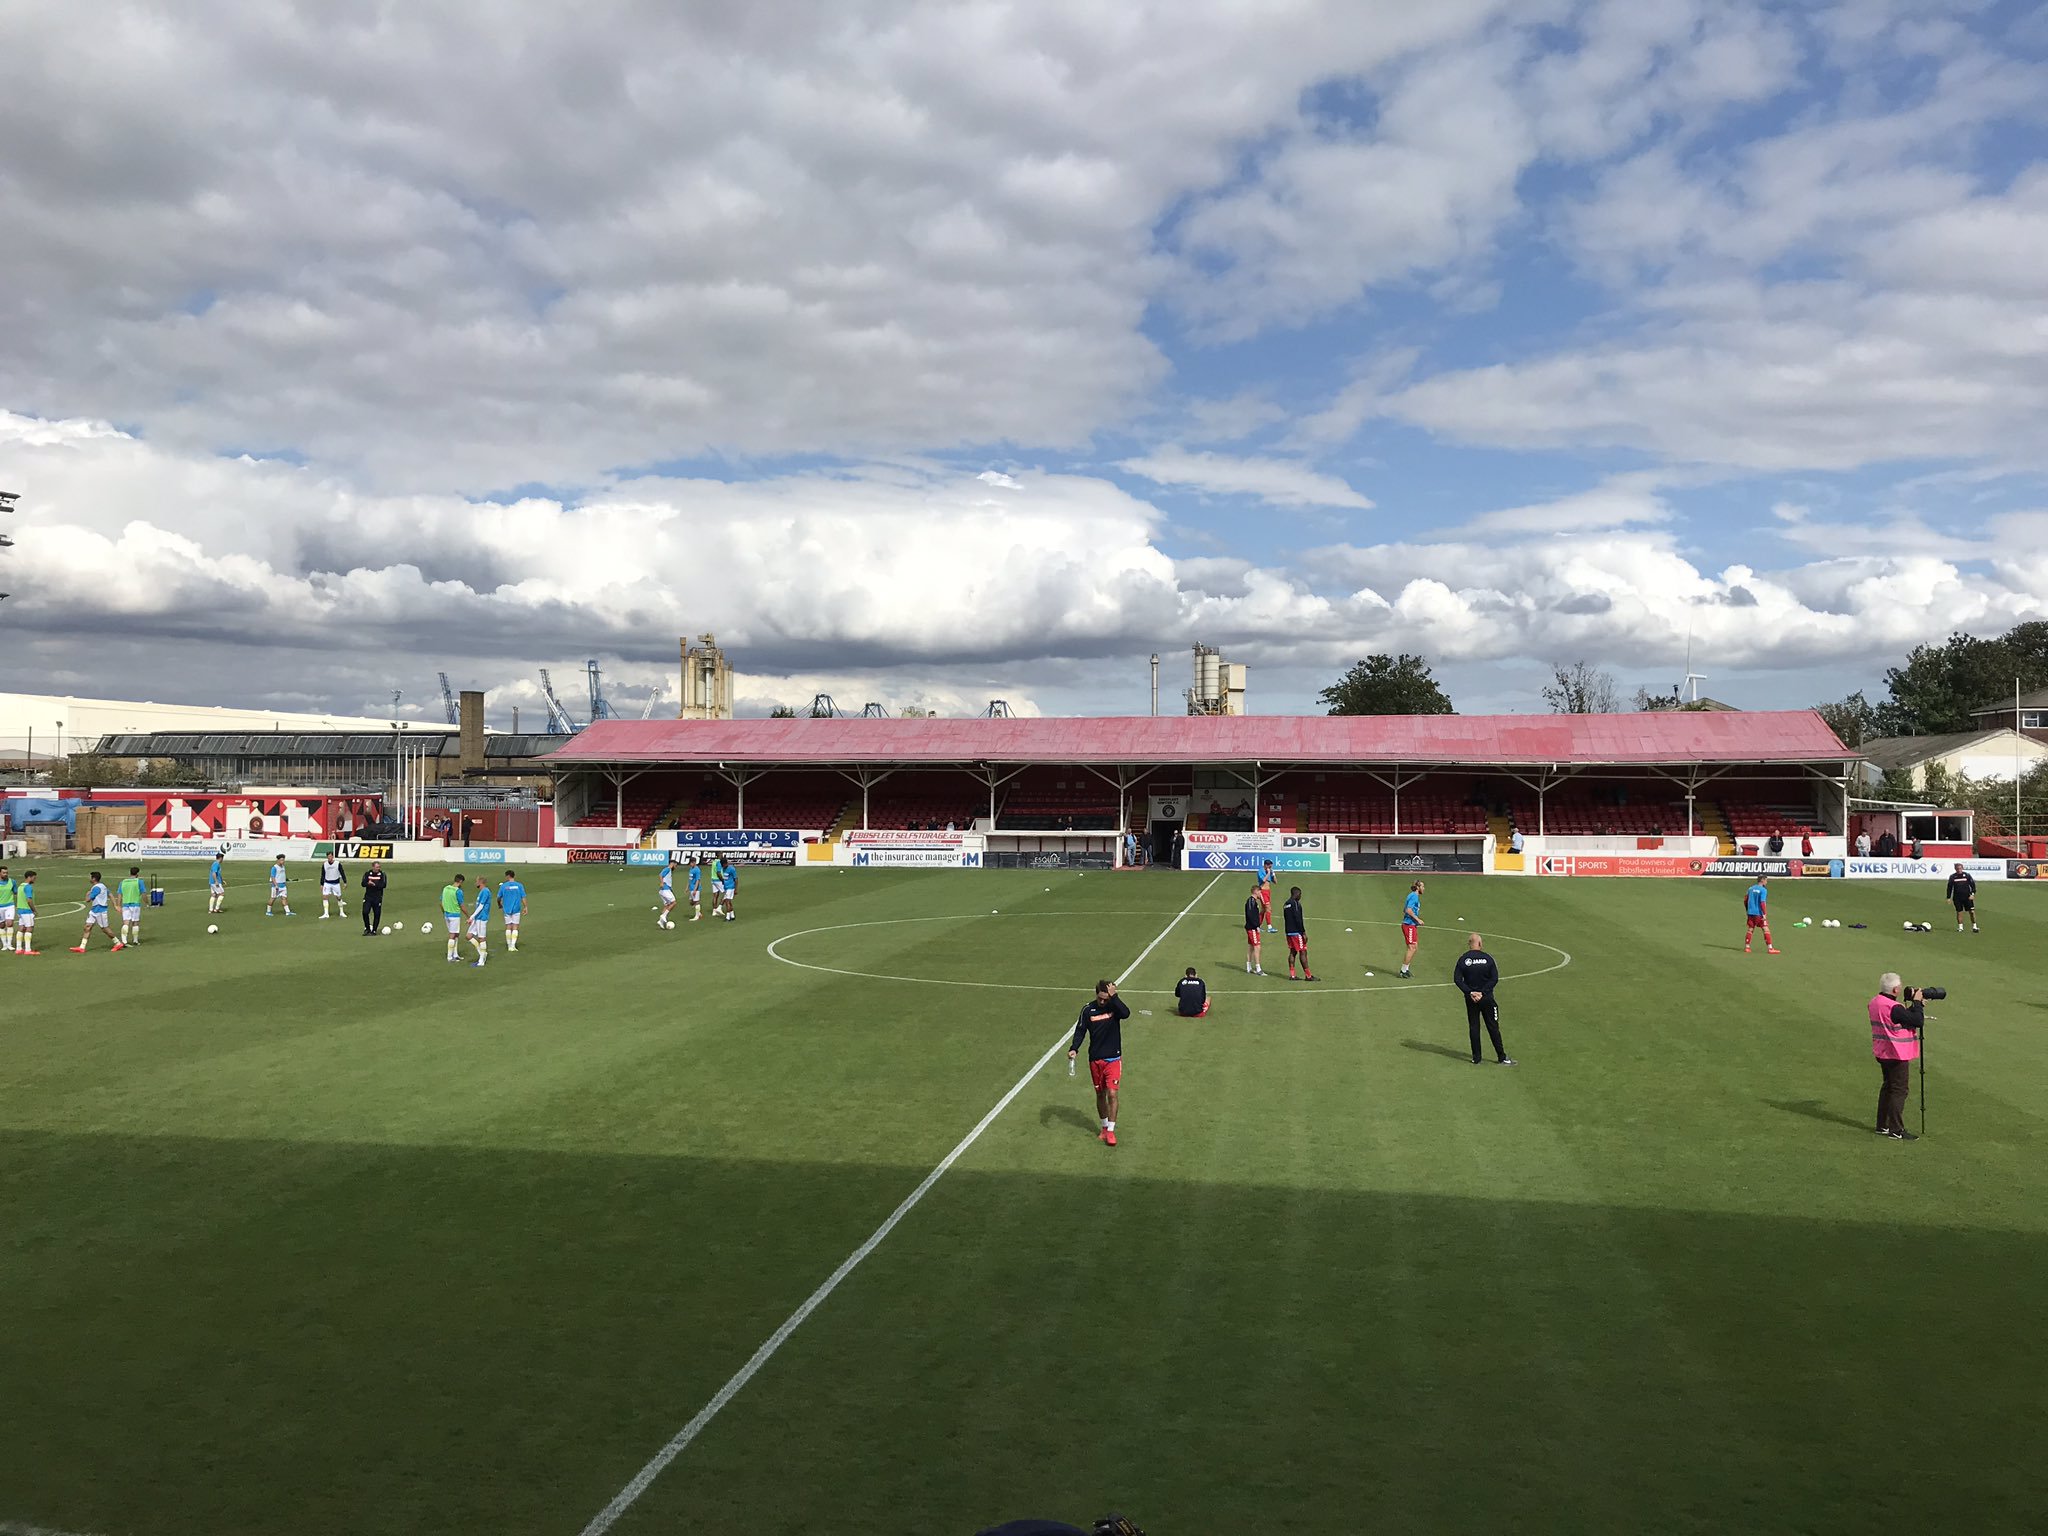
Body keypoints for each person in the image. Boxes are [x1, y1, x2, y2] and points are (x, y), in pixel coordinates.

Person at [1067, 980, 1131, 1145]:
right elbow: (1080, 1030)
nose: (1102, 1002)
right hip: (1095, 1059)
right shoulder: (1088, 1010)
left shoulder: (1114, 1007)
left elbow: (1126, 1013)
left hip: (1113, 1059)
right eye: (1100, 998)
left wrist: (1114, 997)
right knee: (1100, 1094)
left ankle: (1111, 1131)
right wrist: (1074, 1048)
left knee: (1112, 1093)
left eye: (1105, 999)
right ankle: (1104, 1128)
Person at [1869, 972, 1925, 1141]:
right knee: (1899, 1090)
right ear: (1895, 989)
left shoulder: (1875, 1003)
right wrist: (1917, 1003)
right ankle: (1896, 1129)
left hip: (1883, 1051)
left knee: (1888, 1087)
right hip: (1896, 1053)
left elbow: (1899, 1018)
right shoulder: (1894, 1007)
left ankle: (1882, 1125)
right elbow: (1918, 1020)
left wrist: (1913, 1007)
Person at [1452, 933, 1515, 1065]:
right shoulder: (1488, 959)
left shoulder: (1463, 959)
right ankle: (1501, 1057)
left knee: (1474, 1027)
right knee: (1493, 1027)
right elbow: (1494, 978)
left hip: (1471, 999)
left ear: (1469, 944)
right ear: (1480, 944)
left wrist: (1470, 992)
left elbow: (1457, 980)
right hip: (1487, 999)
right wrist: (1482, 992)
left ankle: (1477, 1058)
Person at [73, 870, 119, 953]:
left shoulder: (96, 888)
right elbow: (111, 895)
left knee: (105, 929)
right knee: (87, 926)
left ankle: (117, 943)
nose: (89, 878)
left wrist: (87, 894)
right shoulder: (102, 886)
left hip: (100, 910)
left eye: (90, 877)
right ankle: (82, 947)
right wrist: (115, 905)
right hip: (94, 910)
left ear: (93, 879)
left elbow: (87, 900)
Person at [1282, 885, 1316, 981]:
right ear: (1296, 894)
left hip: (1288, 932)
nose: (1300, 896)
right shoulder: (1295, 903)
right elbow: (1298, 919)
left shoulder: (1286, 904)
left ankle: (1292, 975)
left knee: (1292, 952)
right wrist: (1303, 932)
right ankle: (1308, 975)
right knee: (1303, 952)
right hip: (1296, 932)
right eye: (1300, 894)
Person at [1743, 875, 1778, 955]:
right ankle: (1770, 948)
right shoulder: (1763, 890)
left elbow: (1745, 900)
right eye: (1766, 880)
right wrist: (1764, 914)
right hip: (1759, 913)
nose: (1766, 882)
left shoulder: (1750, 888)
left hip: (1750, 913)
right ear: (1762, 880)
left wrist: (1748, 910)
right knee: (1766, 929)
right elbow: (1762, 903)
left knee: (1750, 929)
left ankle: (1747, 947)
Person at [1399, 880, 1424, 977]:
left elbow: (1404, 909)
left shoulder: (1412, 896)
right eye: (1422, 886)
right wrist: (1417, 919)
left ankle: (1406, 969)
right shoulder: (1414, 896)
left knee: (1414, 947)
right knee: (1412, 948)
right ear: (1418, 887)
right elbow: (1407, 910)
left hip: (1411, 925)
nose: (1423, 888)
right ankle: (1403, 971)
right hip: (1409, 925)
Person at [117, 865, 146, 946]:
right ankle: (135, 940)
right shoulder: (139, 882)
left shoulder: (123, 882)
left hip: (125, 904)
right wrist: (147, 902)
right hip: (135, 904)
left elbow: (119, 894)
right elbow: (143, 893)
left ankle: (124, 940)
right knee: (135, 922)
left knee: (126, 922)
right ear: (137, 874)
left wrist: (118, 905)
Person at [1945, 863, 1978, 933]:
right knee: (1959, 912)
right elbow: (1949, 887)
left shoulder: (1967, 875)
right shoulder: (1953, 877)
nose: (1959, 870)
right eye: (1957, 869)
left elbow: (1973, 885)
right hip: (1957, 897)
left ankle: (1974, 926)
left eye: (1960, 868)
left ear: (1962, 868)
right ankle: (1960, 927)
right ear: (1955, 869)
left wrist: (1972, 894)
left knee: (1972, 912)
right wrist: (1948, 897)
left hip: (1967, 897)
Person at [440, 875, 466, 963]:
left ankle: (455, 954)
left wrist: (444, 912)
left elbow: (441, 902)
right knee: (452, 935)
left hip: (447, 914)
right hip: (454, 915)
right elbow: (462, 906)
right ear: (461, 881)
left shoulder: (446, 888)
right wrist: (468, 916)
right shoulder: (458, 891)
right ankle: (449, 957)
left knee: (456, 934)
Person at [468, 876, 493, 967]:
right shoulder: (482, 892)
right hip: (477, 918)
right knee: (469, 936)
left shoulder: (486, 891)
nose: (475, 883)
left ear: (480, 882)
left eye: (476, 881)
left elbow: (481, 906)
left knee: (481, 938)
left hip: (482, 918)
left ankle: (481, 960)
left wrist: (472, 916)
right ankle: (483, 954)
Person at [498, 869, 525, 951]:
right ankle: (513, 945)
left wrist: (499, 904)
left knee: (508, 927)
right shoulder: (519, 885)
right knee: (515, 927)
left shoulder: (504, 886)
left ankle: (509, 946)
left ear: (508, 876)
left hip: (506, 909)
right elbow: (523, 897)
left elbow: (499, 897)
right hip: (516, 909)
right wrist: (525, 906)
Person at [360, 859, 388, 935]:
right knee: (365, 912)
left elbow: (383, 885)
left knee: (377, 914)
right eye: (376, 867)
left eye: (379, 867)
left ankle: (374, 930)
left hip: (377, 897)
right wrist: (368, 883)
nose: (378, 868)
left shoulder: (382, 874)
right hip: (368, 897)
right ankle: (367, 928)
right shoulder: (367, 874)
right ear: (373, 867)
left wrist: (374, 884)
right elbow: (363, 883)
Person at [13, 869, 38, 955]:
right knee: (29, 928)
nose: (34, 880)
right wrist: (34, 910)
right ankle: (28, 950)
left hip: (20, 910)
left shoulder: (20, 886)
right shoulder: (28, 887)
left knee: (21, 928)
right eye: (34, 878)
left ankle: (18, 948)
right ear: (29, 877)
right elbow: (29, 900)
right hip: (27, 911)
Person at [1243, 882, 1265, 975]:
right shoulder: (1251, 902)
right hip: (1252, 928)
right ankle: (1258, 968)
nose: (1261, 894)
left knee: (1251, 947)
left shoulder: (1252, 901)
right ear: (1256, 891)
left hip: (1251, 927)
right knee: (1257, 947)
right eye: (1260, 892)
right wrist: (1256, 926)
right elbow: (1251, 915)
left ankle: (1248, 967)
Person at [318, 852, 348, 920]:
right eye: (328, 857)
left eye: (330, 856)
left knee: (338, 897)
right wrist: (321, 884)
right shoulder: (325, 864)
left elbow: (342, 872)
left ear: (333, 856)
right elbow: (323, 875)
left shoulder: (337, 864)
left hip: (336, 883)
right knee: (325, 897)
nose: (329, 858)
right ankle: (326, 913)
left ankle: (341, 912)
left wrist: (345, 882)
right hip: (327, 883)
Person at [657, 862, 677, 929]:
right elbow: (660, 875)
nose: (675, 867)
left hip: (664, 890)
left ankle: (660, 921)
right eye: (675, 865)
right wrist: (662, 883)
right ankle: (663, 916)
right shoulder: (668, 869)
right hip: (665, 889)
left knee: (667, 905)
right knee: (674, 902)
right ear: (672, 864)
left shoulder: (669, 871)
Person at [1258, 860, 1276, 933]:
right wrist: (1268, 873)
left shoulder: (1270, 871)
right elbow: (1264, 880)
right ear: (1265, 865)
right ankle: (1269, 927)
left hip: (1268, 892)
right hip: (1263, 891)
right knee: (1268, 908)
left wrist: (1273, 874)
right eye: (1269, 866)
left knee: (1263, 910)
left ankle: (1258, 926)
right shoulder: (1260, 871)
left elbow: (1275, 882)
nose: (1270, 867)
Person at [0, 864, 14, 953]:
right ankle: (4, 944)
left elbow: (15, 891)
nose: (6, 874)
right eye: (4, 873)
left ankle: (9, 944)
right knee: (1, 925)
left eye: (7, 873)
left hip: (9, 905)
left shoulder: (12, 881)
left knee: (9, 923)